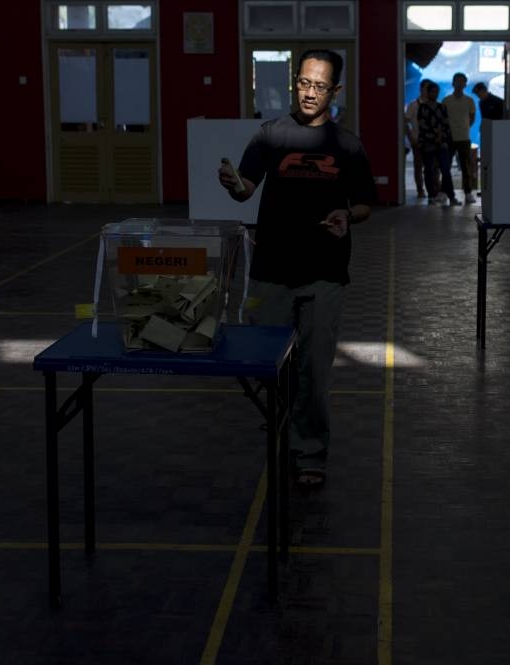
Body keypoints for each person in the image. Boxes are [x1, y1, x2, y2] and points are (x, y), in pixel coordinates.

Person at [217, 48, 376, 488]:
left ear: (335, 91)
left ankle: (310, 451)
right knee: (271, 363)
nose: (309, 93)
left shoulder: (347, 145)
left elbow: (365, 203)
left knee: (314, 367)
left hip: (325, 272)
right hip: (271, 269)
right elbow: (246, 189)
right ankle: (285, 420)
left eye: (320, 86)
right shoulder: (269, 136)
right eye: (304, 83)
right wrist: (233, 185)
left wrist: (347, 215)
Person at [418, 80, 458, 206]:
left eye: (436, 92)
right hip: (428, 144)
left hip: (442, 143)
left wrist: (442, 137)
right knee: (428, 170)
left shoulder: (442, 107)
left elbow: (446, 125)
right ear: (428, 92)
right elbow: (422, 126)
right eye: (432, 92)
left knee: (446, 170)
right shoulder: (422, 108)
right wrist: (435, 135)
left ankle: (451, 197)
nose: (434, 94)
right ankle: (431, 196)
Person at [442, 72, 477, 204]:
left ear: (465, 84)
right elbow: (442, 118)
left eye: (462, 81)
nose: (459, 83)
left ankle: (468, 193)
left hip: (464, 138)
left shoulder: (469, 100)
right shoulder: (446, 100)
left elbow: (472, 118)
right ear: (453, 83)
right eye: (457, 81)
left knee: (466, 167)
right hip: (449, 138)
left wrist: (464, 127)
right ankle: (444, 192)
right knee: (446, 167)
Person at [405, 79, 430, 199]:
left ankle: (433, 190)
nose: (427, 91)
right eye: (426, 88)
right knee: (418, 166)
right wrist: (410, 137)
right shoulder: (413, 105)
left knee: (432, 167)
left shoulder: (435, 104)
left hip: (431, 141)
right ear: (421, 89)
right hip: (418, 140)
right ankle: (420, 190)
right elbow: (405, 122)